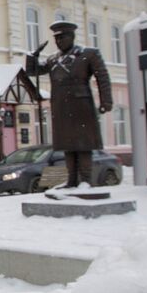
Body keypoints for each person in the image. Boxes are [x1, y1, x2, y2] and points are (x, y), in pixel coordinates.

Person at [26, 21, 113, 187]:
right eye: (56, 39)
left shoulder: (88, 54)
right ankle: (71, 180)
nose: (59, 42)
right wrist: (33, 55)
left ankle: (86, 180)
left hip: (81, 106)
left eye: (62, 38)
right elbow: (33, 71)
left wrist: (106, 101)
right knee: (68, 146)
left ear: (72, 37)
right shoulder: (53, 59)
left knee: (83, 145)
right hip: (61, 107)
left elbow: (102, 77)